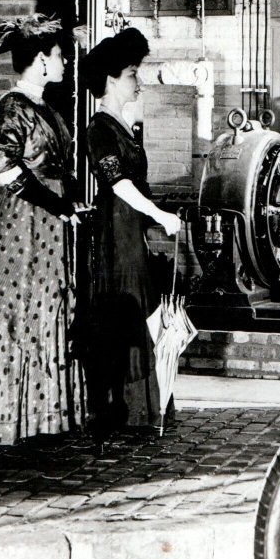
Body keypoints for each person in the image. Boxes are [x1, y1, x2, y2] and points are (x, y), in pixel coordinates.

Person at [0, 14, 85, 444]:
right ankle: (8, 418)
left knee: (49, 303)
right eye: (59, 56)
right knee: (23, 307)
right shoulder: (12, 106)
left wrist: (67, 203)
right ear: (40, 60)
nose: (65, 62)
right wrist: (56, 204)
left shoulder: (45, 106)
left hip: (48, 219)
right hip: (27, 222)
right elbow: (5, 171)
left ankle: (41, 418)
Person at [78, 28, 181, 441]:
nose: (137, 81)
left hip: (131, 231)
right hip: (115, 234)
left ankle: (145, 409)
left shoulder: (124, 126)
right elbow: (118, 184)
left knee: (144, 311)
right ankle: (125, 410)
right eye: (131, 74)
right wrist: (158, 213)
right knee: (127, 311)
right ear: (110, 81)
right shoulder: (99, 127)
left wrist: (161, 215)